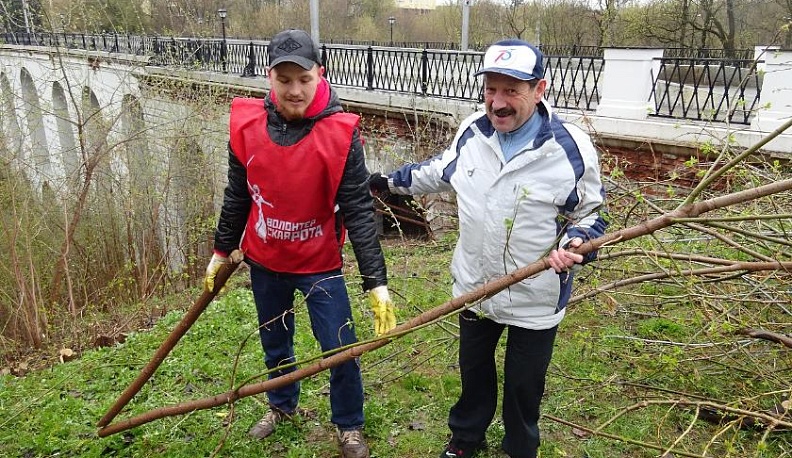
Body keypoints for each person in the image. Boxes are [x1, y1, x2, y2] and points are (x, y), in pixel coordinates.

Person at [369, 39, 608, 458]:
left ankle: (520, 448)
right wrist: (382, 183)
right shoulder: (472, 131)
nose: (497, 103)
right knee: (473, 373)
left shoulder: (569, 148)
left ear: (540, 89)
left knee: (523, 385)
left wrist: (576, 244)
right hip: (475, 287)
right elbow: (436, 172)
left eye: (511, 91)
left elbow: (589, 215)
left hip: (537, 294)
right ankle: (466, 440)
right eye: (490, 90)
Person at [204, 28, 396, 458]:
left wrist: (375, 282)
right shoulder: (246, 126)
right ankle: (281, 405)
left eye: (303, 80)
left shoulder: (341, 134)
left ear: (319, 75)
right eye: (284, 79)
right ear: (269, 77)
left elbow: (359, 210)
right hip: (265, 258)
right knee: (276, 340)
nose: (294, 90)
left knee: (340, 346)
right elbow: (237, 193)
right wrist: (221, 251)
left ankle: (349, 425)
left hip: (319, 263)